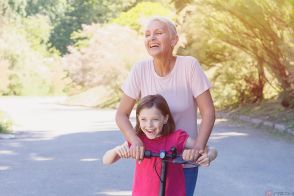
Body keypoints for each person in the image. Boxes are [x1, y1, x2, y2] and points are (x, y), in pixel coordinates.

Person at [115, 16, 215, 196]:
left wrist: (198, 148)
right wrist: (135, 140)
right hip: (152, 160)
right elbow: (121, 114)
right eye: (147, 35)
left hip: (183, 160)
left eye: (158, 33)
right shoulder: (140, 69)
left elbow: (208, 112)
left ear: (174, 40)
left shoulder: (189, 66)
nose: (151, 38)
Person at [103, 95, 217, 196]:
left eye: (155, 119)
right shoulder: (138, 140)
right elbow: (106, 160)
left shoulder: (177, 138)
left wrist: (208, 156)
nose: (149, 125)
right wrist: (117, 150)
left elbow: (210, 149)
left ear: (165, 118)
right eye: (144, 119)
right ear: (138, 118)